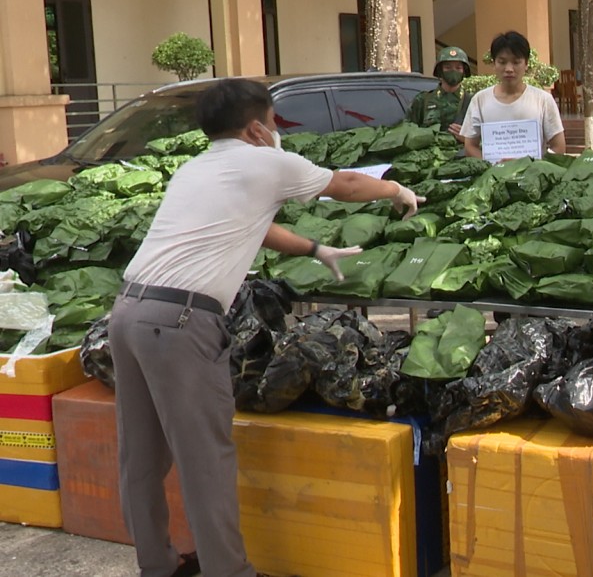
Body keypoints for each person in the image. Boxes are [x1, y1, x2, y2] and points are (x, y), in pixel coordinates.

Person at [109, 79, 422, 577]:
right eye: (275, 122)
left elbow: (256, 227)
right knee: (205, 459)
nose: (277, 131)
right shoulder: (264, 160)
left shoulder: (194, 169)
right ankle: (228, 571)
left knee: (141, 455)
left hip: (127, 314)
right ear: (257, 127)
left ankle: (158, 565)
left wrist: (316, 250)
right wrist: (399, 190)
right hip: (181, 323)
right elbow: (347, 185)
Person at [460, 31, 565, 160]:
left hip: (532, 178)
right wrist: (494, 167)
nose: (509, 69)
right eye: (502, 62)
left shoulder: (543, 100)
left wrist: (532, 166)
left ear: (526, 64)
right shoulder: (480, 100)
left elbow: (558, 147)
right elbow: (470, 146)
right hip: (492, 178)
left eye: (516, 62)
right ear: (494, 63)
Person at [407, 46, 472, 140]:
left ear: (464, 71)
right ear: (440, 71)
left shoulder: (473, 102)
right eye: (448, 67)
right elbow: (408, 133)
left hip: (462, 153)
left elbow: (487, 140)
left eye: (458, 68)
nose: (453, 71)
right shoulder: (423, 100)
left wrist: (468, 139)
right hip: (429, 153)